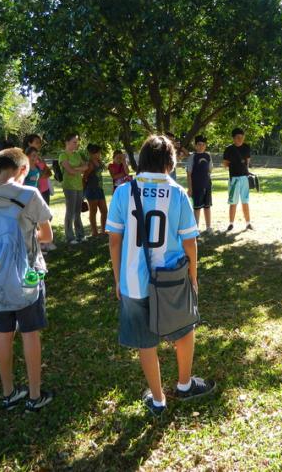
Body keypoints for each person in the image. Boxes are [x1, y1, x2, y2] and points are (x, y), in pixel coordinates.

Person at [106, 135, 215, 416]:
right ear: (170, 160)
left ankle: (157, 400)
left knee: (145, 341)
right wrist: (193, 276)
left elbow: (114, 240)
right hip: (172, 278)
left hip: (132, 279)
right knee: (184, 330)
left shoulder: (123, 191)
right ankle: (184, 383)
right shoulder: (178, 193)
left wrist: (118, 279)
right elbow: (190, 242)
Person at [0, 147, 54, 411]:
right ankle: (34, 395)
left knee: (3, 332)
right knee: (30, 333)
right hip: (29, 273)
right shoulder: (30, 194)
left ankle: (8, 392)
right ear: (22, 170)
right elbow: (47, 236)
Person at [24, 135, 56, 252]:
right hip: (27, 198)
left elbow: (43, 176)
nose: (34, 158)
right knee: (32, 220)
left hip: (37, 194)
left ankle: (42, 242)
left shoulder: (37, 166)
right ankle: (36, 243)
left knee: (43, 217)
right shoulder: (24, 168)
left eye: (36, 156)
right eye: (32, 156)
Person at [58, 134, 88, 245]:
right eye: (74, 142)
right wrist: (78, 169)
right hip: (69, 186)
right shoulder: (63, 155)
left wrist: (77, 169)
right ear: (67, 142)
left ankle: (80, 235)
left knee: (77, 212)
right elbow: (69, 171)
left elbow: (86, 167)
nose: (77, 144)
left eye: (77, 142)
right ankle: (70, 237)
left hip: (79, 186)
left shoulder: (77, 155)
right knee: (70, 212)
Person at [223, 128, 252, 232]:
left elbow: (248, 162)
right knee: (233, 202)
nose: (240, 139)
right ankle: (231, 223)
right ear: (233, 138)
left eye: (242, 137)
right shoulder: (228, 149)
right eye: (237, 137)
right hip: (233, 179)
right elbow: (225, 164)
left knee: (245, 201)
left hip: (244, 178)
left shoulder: (246, 147)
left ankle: (248, 223)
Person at [186, 135, 213, 232]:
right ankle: (195, 228)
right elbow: (189, 174)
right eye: (199, 144)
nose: (201, 146)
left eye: (203, 144)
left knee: (207, 206)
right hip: (196, 186)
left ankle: (208, 227)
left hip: (207, 185)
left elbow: (210, 170)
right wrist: (190, 188)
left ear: (205, 145)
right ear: (195, 145)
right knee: (197, 208)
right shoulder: (192, 157)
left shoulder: (208, 156)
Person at [83, 144, 108, 236]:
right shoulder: (90, 164)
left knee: (104, 210)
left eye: (99, 153)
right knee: (93, 211)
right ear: (91, 154)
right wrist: (84, 189)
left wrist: (100, 161)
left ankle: (104, 230)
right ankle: (94, 232)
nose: (99, 154)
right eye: (97, 153)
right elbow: (85, 177)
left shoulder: (98, 161)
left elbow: (103, 168)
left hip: (99, 189)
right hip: (92, 189)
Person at [23, 134, 52, 206]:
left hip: (45, 189)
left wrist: (43, 172)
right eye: (37, 142)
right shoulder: (24, 158)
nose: (39, 145)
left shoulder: (40, 157)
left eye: (40, 143)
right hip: (32, 192)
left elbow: (48, 173)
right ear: (29, 143)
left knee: (45, 215)